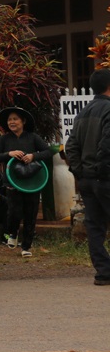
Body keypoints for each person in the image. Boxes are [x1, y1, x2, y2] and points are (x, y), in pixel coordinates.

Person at [65, 69, 110, 286]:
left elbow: (71, 145)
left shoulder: (82, 113)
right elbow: (107, 145)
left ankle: (103, 272)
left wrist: (79, 171)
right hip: (104, 177)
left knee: (94, 225)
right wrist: (102, 170)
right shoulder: (109, 109)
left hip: (87, 179)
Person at [0, 106, 52, 257]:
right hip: (11, 182)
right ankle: (12, 233)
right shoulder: (4, 139)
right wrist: (9, 154)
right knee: (14, 212)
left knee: (31, 214)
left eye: (15, 119)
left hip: (32, 182)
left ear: (23, 121)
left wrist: (33, 156)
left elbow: (49, 151)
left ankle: (26, 246)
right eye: (9, 120)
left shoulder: (33, 137)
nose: (12, 122)